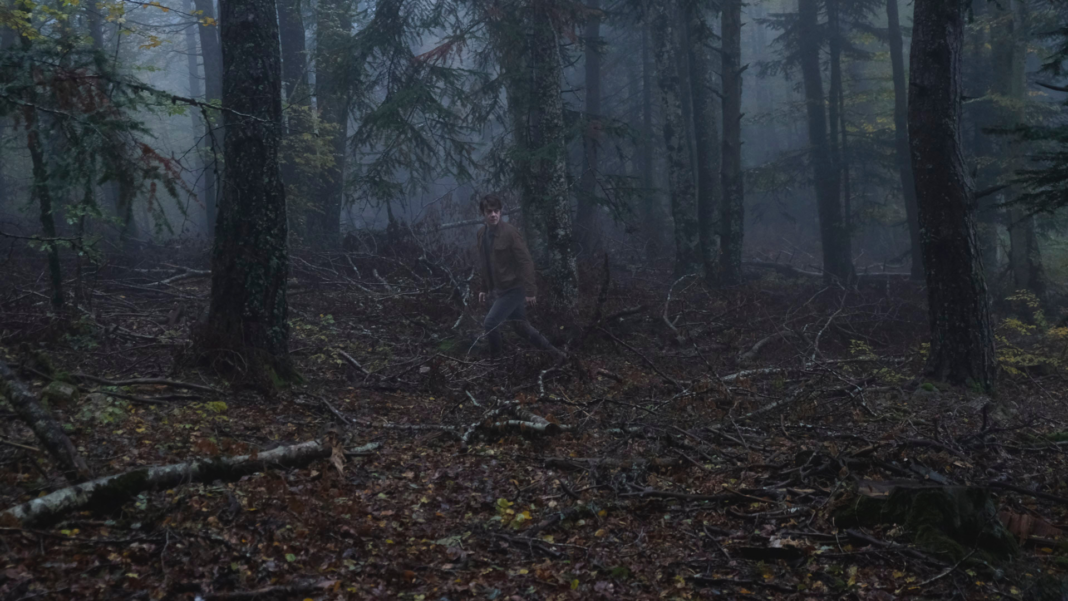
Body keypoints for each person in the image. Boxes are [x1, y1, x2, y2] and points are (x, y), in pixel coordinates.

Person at [475, 193, 566, 361]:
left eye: (496, 211)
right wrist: (484, 288)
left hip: (514, 289)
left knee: (490, 323)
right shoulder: (481, 234)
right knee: (521, 327)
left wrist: (531, 290)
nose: (493, 214)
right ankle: (557, 356)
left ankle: (496, 364)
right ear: (483, 214)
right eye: (489, 211)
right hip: (501, 289)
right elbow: (485, 263)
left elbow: (526, 262)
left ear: (501, 212)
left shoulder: (510, 233)